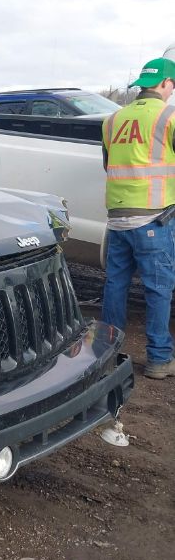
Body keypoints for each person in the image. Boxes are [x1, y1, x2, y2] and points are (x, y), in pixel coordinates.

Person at [101, 57, 175, 379]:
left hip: (117, 218)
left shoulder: (112, 119)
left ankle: (107, 352)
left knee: (115, 283)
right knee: (158, 288)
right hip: (154, 218)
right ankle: (159, 359)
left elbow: (109, 165)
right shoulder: (169, 115)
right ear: (165, 84)